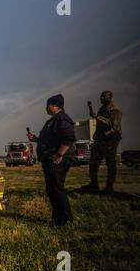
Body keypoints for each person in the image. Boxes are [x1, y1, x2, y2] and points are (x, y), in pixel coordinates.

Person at [27, 94, 76, 226]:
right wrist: (36, 139)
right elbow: (49, 140)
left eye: (47, 105)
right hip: (49, 160)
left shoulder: (62, 119)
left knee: (57, 189)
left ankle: (65, 221)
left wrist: (59, 155)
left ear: (54, 105)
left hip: (57, 161)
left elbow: (69, 138)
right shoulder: (54, 120)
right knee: (52, 190)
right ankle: (58, 219)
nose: (46, 108)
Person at [83, 91, 122, 194]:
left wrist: (97, 117)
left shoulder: (115, 110)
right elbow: (97, 119)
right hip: (99, 141)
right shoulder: (102, 109)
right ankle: (93, 184)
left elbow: (113, 125)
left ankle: (109, 186)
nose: (101, 99)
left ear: (110, 97)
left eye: (103, 97)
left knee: (110, 164)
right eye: (100, 97)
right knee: (93, 163)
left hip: (109, 141)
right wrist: (91, 109)